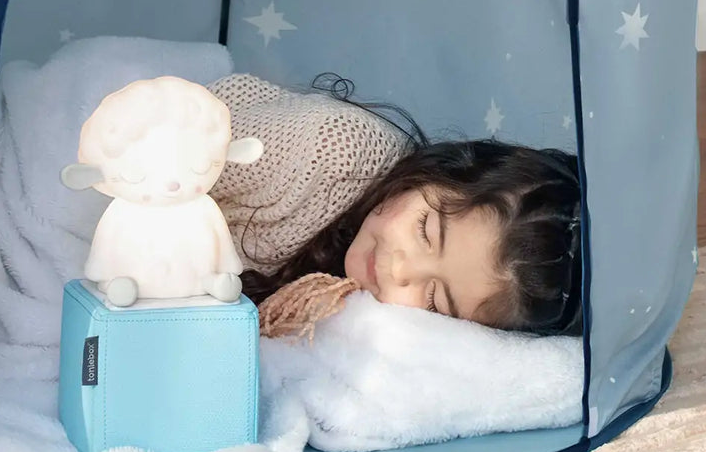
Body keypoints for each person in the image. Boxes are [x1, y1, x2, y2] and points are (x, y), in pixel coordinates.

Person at [206, 72, 583, 338]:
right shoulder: (326, 149)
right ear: (442, 173)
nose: (399, 269)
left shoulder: (355, 318)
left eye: (434, 300)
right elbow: (175, 158)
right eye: (425, 231)